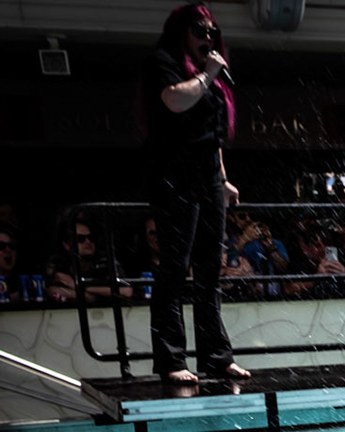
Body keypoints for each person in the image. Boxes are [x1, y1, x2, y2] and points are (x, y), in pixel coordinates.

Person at [141, 3, 246, 382]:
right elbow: (174, 100)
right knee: (174, 267)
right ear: (181, 32)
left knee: (209, 269)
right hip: (174, 175)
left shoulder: (211, 78)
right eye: (199, 31)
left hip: (206, 177)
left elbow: (214, 134)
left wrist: (223, 178)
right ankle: (171, 360)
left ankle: (217, 357)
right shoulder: (163, 63)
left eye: (211, 31)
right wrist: (209, 73)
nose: (207, 37)